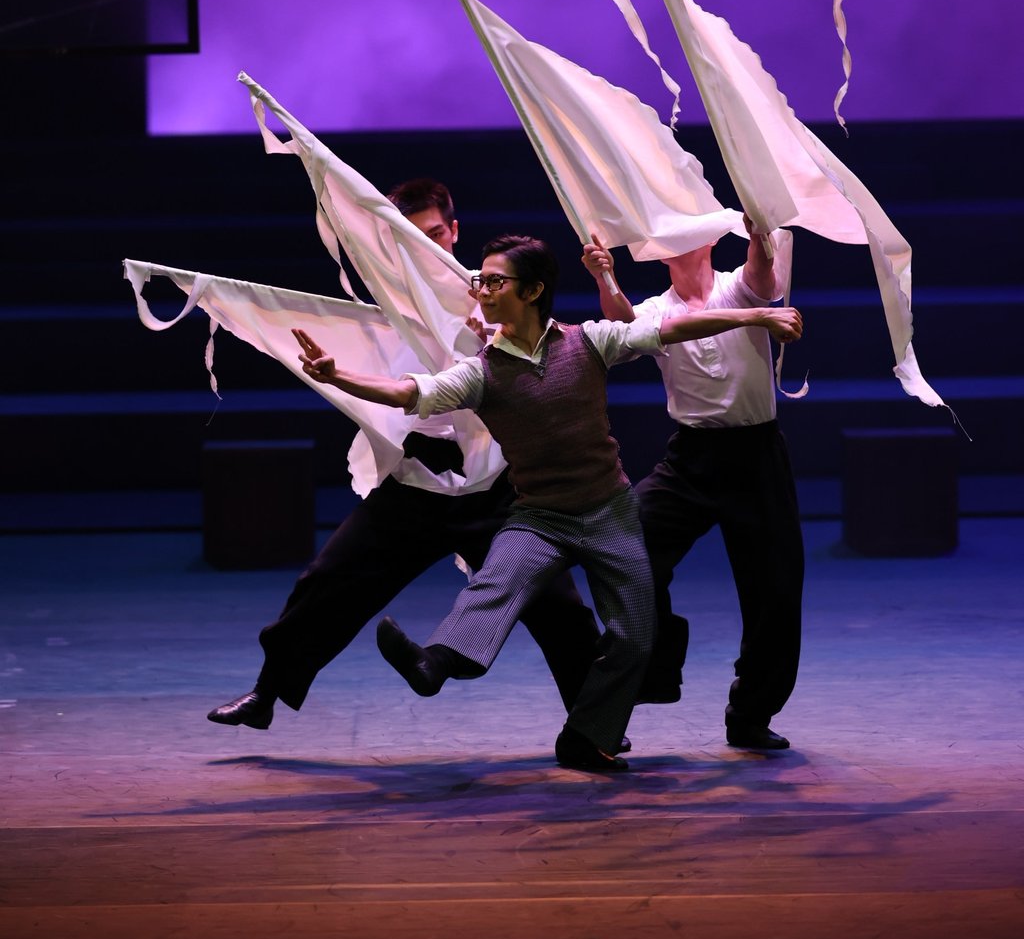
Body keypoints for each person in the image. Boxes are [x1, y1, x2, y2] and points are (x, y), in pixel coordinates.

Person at [295, 232, 803, 774]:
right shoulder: (480, 372)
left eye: (494, 281)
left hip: (608, 512)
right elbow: (407, 392)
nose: (483, 291)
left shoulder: (588, 342)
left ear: (533, 290)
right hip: (539, 518)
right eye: (479, 281)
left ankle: (588, 738)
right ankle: (436, 661)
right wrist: (338, 375)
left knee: (635, 633)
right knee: (497, 581)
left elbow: (673, 328)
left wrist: (754, 319)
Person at [207, 179, 601, 733]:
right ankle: (268, 692)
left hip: (493, 487)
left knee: (554, 601)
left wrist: (489, 331)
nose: (425, 246)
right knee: (327, 583)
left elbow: (543, 352)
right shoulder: (390, 309)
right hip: (415, 483)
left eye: (435, 234)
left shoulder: (495, 294)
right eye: (411, 238)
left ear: (454, 231)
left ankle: (594, 720)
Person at [583, 219, 805, 752]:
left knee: (775, 589)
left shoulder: (737, 287)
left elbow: (761, 273)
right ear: (661, 256)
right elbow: (622, 328)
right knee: (626, 551)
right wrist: (604, 275)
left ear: (708, 241)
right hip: (691, 458)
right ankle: (657, 665)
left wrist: (756, 234)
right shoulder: (658, 309)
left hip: (756, 456)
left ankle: (751, 711)